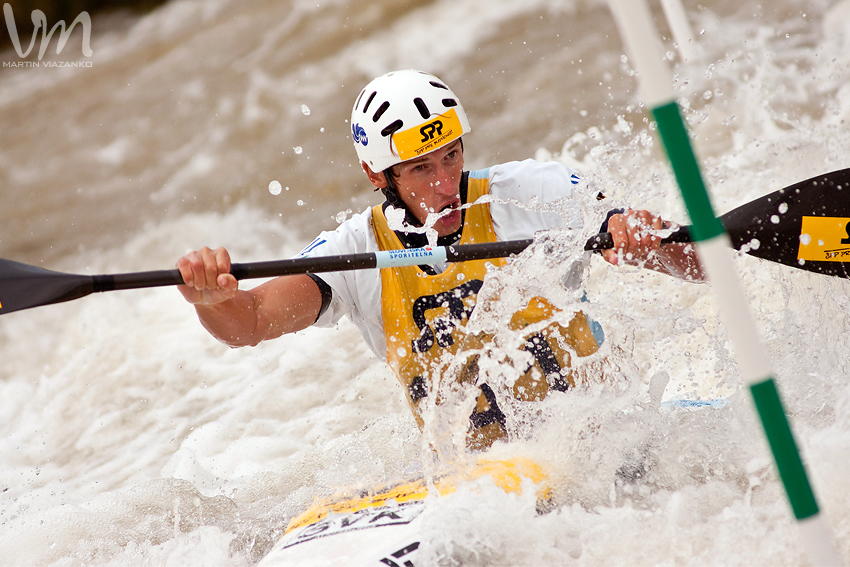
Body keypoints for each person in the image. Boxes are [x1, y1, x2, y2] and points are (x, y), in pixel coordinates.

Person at [177, 70, 704, 451]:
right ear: (377, 175)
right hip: (478, 483)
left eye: (452, 155)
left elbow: (698, 265)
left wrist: (639, 237)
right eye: (422, 169)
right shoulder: (355, 253)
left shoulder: (528, 194)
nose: (445, 185)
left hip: (608, 444)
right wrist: (213, 299)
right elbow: (248, 324)